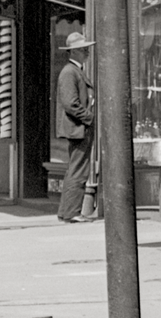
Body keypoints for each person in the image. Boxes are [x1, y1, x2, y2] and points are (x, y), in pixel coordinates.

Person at [56, 32, 96, 223]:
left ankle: (68, 212)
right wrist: (89, 118)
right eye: (83, 49)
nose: (87, 52)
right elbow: (70, 103)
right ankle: (71, 212)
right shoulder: (69, 72)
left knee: (76, 168)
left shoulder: (74, 71)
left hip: (79, 127)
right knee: (78, 170)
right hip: (79, 128)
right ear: (75, 51)